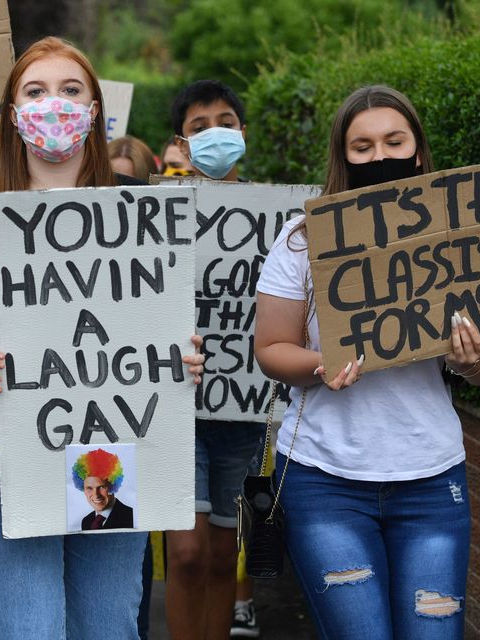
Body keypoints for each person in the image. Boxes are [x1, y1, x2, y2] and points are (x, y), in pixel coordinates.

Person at [0, 36, 205, 639]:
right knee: (28, 627)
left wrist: (184, 357)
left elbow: (165, 328)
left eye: (70, 91)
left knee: (108, 623)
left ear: (94, 112)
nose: (52, 104)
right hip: (6, 437)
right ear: (13, 115)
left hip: (121, 436)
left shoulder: (142, 207)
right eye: (35, 92)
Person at [254, 85, 480, 639]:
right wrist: (321, 365)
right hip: (325, 482)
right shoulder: (302, 242)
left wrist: (469, 361)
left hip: (431, 480)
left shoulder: (458, 239)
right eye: (363, 147)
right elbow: (272, 349)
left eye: (394, 142)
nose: (380, 158)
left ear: (418, 151)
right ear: (342, 157)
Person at [164, 78, 264, 640]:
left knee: (225, 555)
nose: (214, 135)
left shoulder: (277, 218)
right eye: (199, 128)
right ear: (180, 142)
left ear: (243, 133)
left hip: (243, 414)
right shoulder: (156, 212)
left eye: (225, 123)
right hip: (178, 410)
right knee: (185, 553)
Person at [73, 448, 135, 530]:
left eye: (101, 487)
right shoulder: (86, 521)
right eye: (89, 488)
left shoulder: (132, 517)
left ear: (113, 486)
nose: (96, 495)